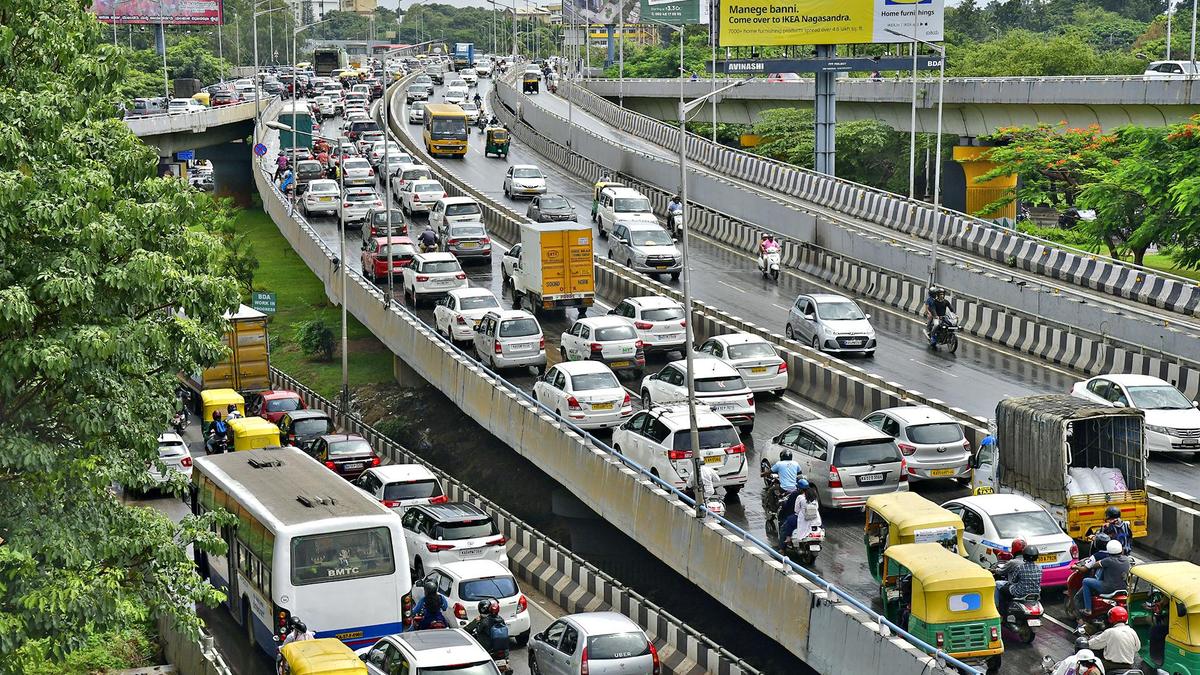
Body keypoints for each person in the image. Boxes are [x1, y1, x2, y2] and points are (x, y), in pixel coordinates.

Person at [1077, 540, 1132, 614]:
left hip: (1108, 588)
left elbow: (1093, 565)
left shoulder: (1107, 561)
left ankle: (1088, 609)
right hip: (1123, 588)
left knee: (1086, 581)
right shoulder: (1126, 559)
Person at [1088, 606, 1140, 672]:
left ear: (1111, 618)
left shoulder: (1110, 632)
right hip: (1129, 666)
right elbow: (1137, 648)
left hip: (1111, 665)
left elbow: (1092, 645)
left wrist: (1087, 641)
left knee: (1091, 664)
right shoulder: (1132, 631)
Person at [995, 543, 1043, 609]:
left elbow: (1013, 580)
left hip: (1020, 593)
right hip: (1036, 594)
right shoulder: (1039, 567)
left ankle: (1001, 609)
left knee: (1003, 589)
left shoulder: (1020, 567)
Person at [777, 478, 810, 550]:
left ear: (799, 488)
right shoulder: (812, 495)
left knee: (783, 528)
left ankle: (781, 548)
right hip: (813, 518)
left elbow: (795, 509)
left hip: (800, 517)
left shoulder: (797, 495)